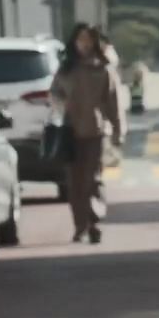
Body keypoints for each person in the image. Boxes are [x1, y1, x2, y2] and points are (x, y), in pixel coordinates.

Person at [50, 23, 124, 244]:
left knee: (92, 179)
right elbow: (55, 93)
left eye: (88, 39)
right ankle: (80, 226)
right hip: (69, 131)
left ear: (94, 42)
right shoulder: (66, 68)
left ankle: (93, 221)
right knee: (74, 183)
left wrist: (118, 130)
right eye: (80, 39)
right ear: (74, 42)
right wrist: (60, 106)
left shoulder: (103, 69)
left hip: (95, 131)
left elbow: (113, 102)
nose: (84, 44)